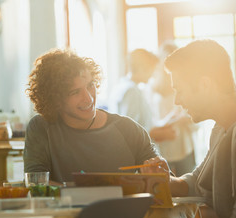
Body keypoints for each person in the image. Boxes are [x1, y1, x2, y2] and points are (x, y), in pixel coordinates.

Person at [143, 39, 236, 218]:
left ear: (205, 85)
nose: (177, 101)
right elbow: (201, 180)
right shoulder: (221, 128)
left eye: (180, 90)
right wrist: (168, 182)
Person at [24, 49, 159, 183]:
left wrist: (159, 170)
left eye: (90, 85)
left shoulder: (128, 129)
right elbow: (36, 182)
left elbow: (162, 180)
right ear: (55, 98)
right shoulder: (41, 127)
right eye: (75, 92)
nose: (88, 98)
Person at [148, 42, 197, 176]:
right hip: (163, 149)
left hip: (184, 148)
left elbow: (198, 118)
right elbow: (148, 123)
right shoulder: (152, 87)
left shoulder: (186, 83)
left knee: (187, 186)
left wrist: (185, 120)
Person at [109, 49, 159, 131]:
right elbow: (130, 130)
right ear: (142, 68)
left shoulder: (121, 86)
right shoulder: (131, 91)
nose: (152, 75)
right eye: (152, 69)